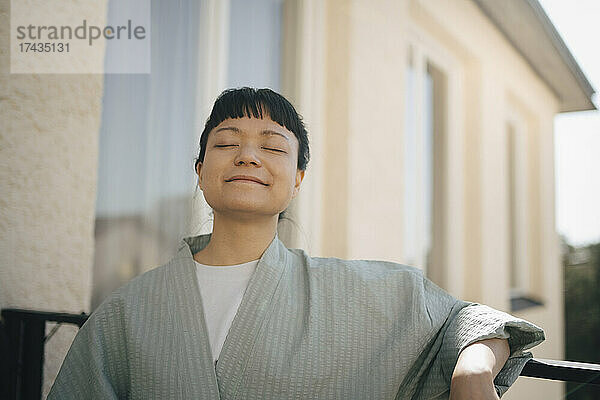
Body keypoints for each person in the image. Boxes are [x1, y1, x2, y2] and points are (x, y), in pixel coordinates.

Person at [48, 87, 545, 399]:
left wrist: (471, 376)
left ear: (298, 178)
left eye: (271, 146)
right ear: (201, 173)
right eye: (225, 143)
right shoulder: (128, 310)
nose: (247, 156)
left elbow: (470, 322)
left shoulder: (361, 292)